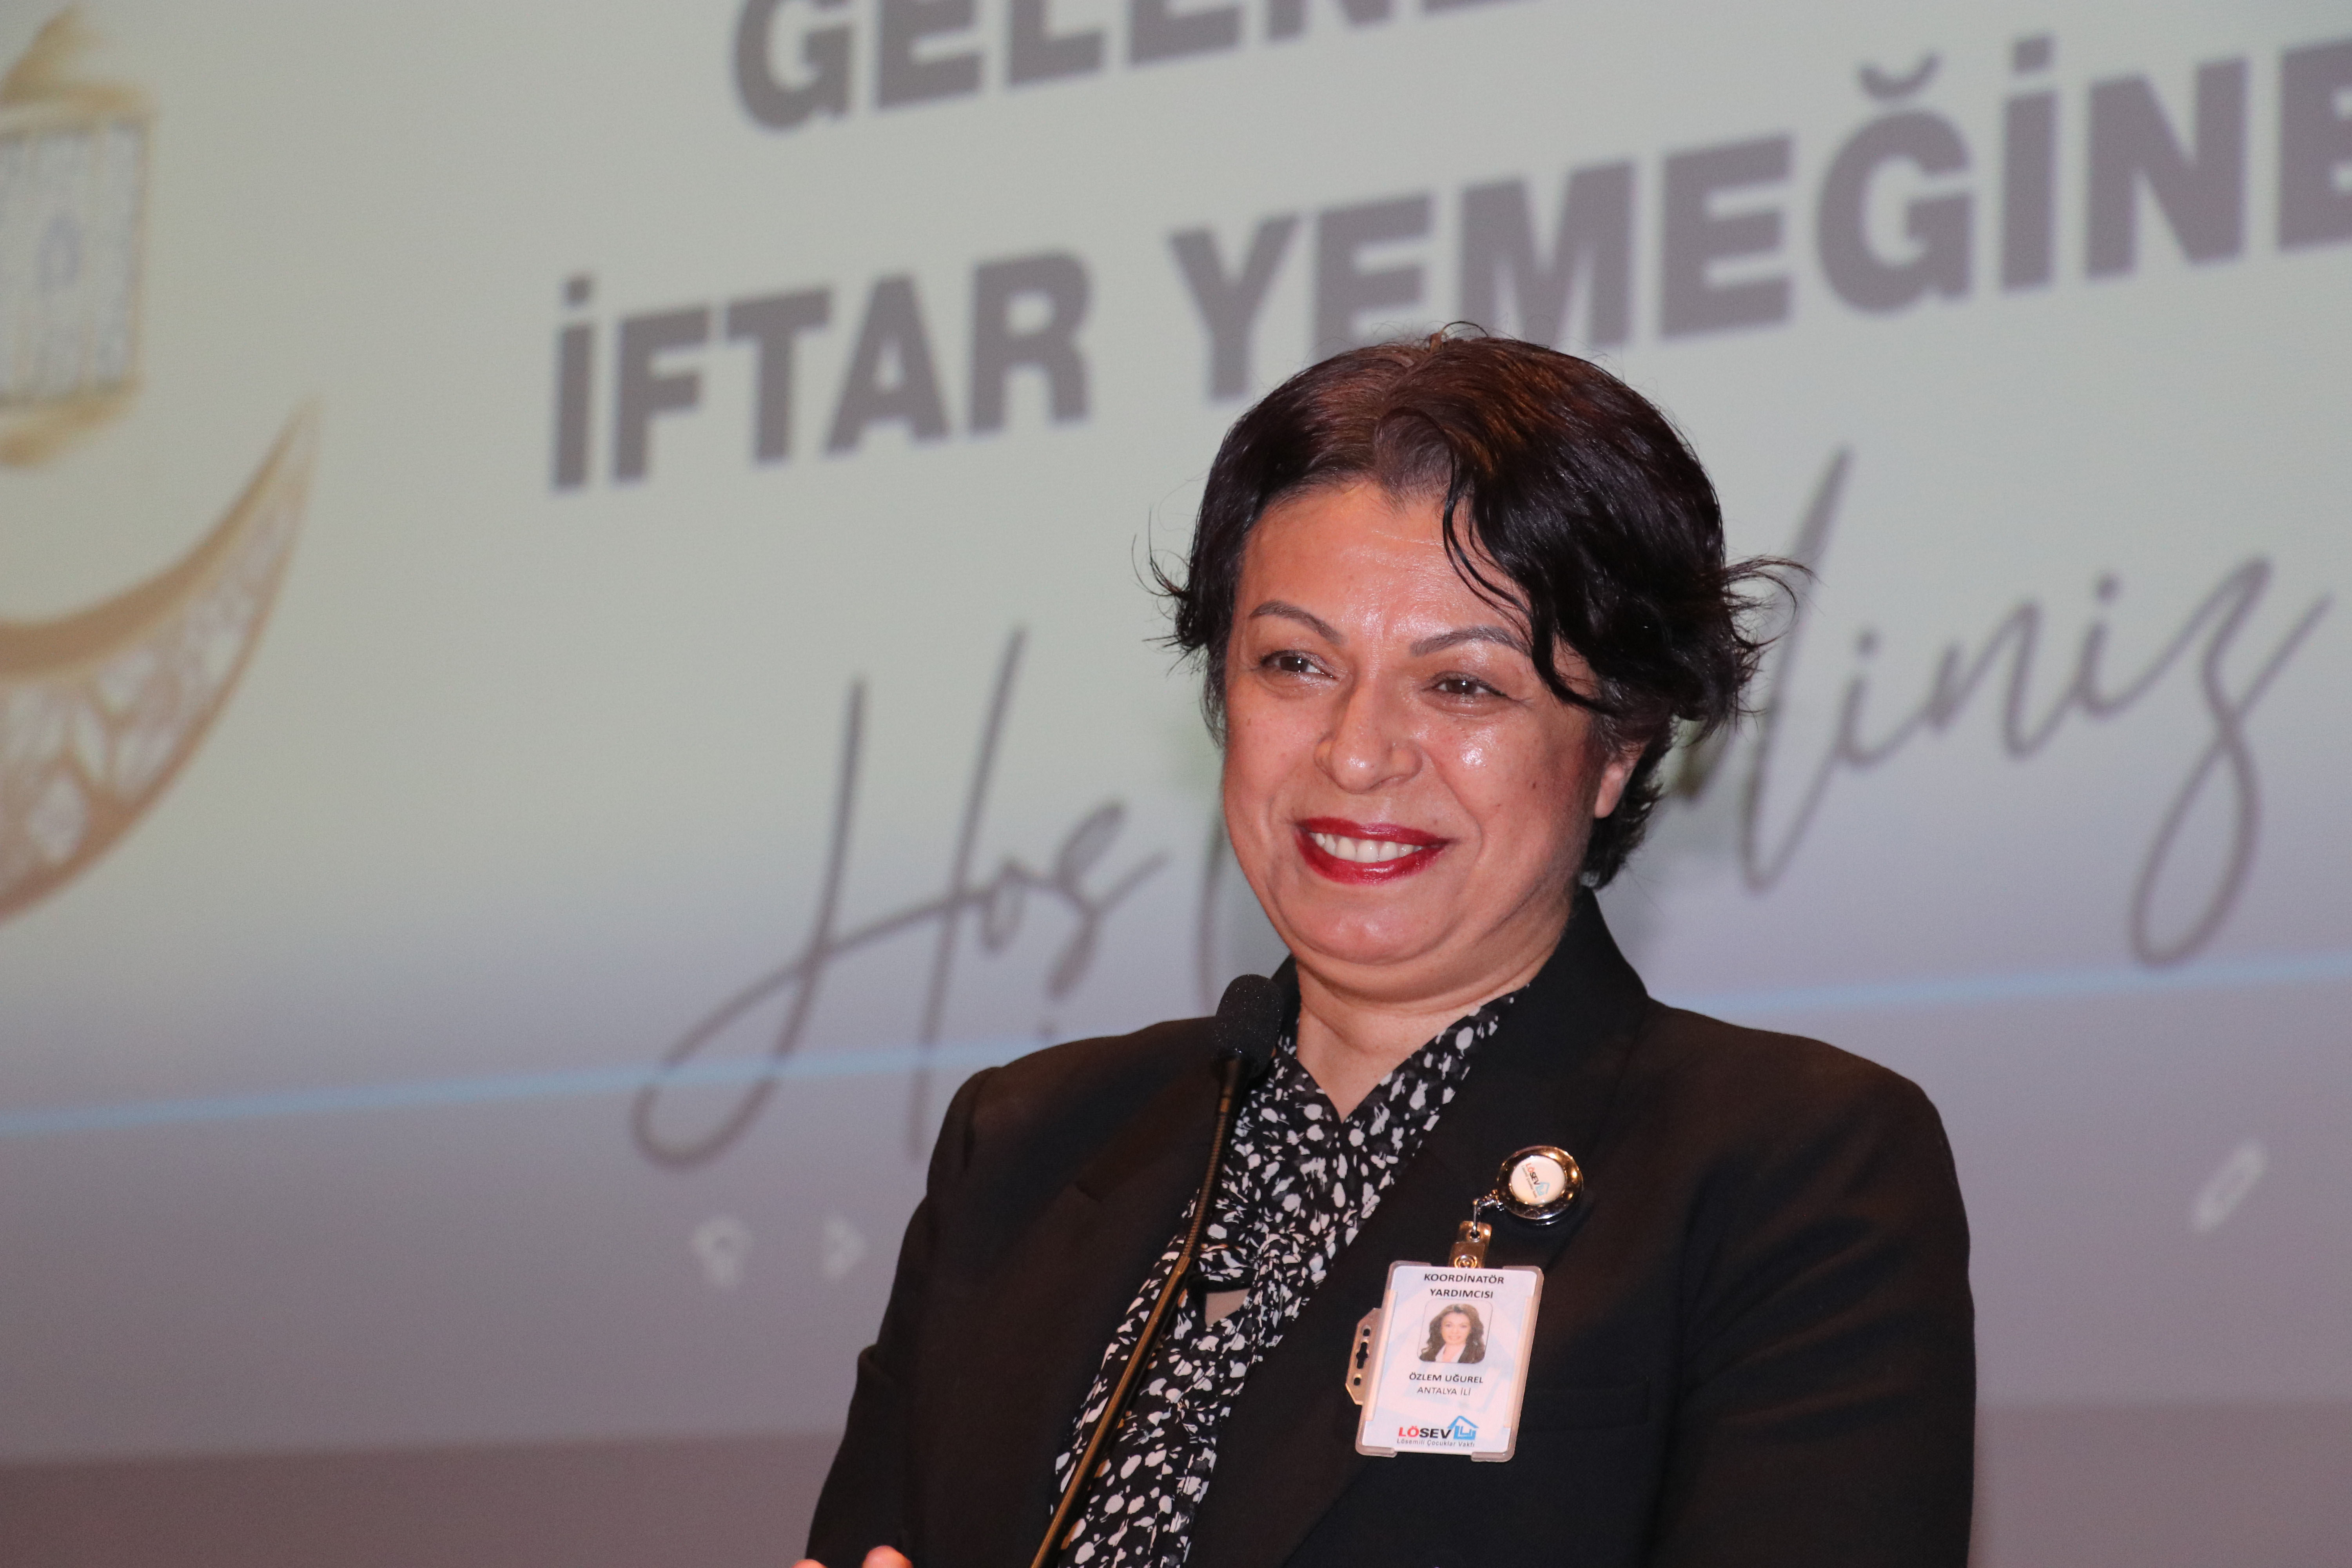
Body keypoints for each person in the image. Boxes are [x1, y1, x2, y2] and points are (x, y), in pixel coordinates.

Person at [799, 334, 1974, 1568]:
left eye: (1463, 685)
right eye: (1295, 664)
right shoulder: (1024, 1145)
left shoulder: (1790, 1167)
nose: (1356, 753)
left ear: (1619, 743)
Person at [1418, 1303, 1485, 1365]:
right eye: (1449, 1325)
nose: (1455, 1331)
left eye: (1463, 1326)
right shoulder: (1426, 1357)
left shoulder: (1479, 1359)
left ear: (1471, 1330)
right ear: (1440, 1327)